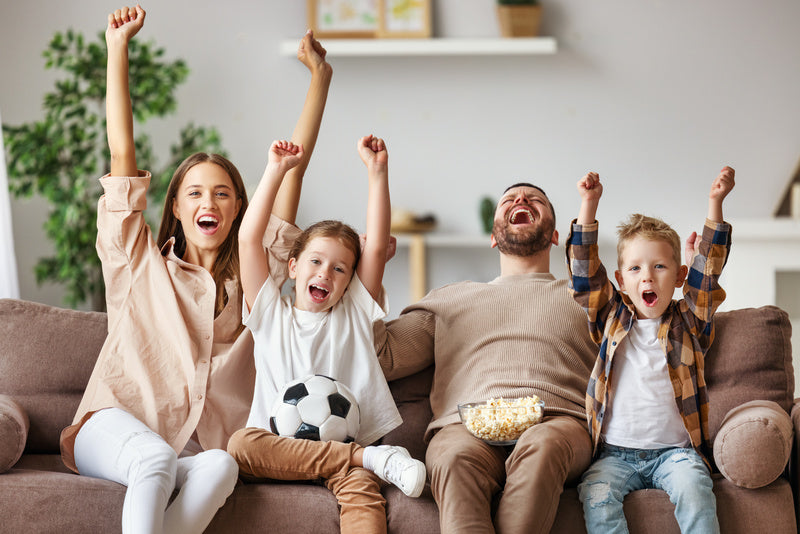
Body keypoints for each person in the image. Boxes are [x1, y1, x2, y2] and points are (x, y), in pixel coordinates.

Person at [58, 5, 333, 533]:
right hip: (111, 429)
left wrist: (320, 79)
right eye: (196, 192)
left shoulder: (255, 281)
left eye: (224, 193)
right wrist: (117, 51)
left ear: (237, 212)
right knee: (155, 458)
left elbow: (294, 167)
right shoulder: (136, 262)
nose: (210, 201)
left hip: (193, 447)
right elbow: (121, 152)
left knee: (223, 464)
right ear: (178, 209)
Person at [226, 135, 426, 534]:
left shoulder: (352, 312)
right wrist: (276, 170)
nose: (325, 273)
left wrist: (377, 173)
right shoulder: (269, 314)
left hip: (347, 441)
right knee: (239, 446)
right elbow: (249, 240)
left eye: (339, 269)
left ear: (350, 281)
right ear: (294, 266)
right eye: (316, 261)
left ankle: (358, 462)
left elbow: (374, 243)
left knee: (364, 502)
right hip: (283, 451)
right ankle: (368, 459)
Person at [373, 183, 599, 534]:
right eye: (509, 199)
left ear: (556, 235)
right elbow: (382, 356)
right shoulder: (450, 299)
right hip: (464, 429)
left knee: (544, 446)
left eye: (534, 199)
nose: (521, 200)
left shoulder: (586, 298)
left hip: (557, 423)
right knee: (452, 459)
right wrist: (371, 270)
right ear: (494, 238)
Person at [566, 167, 735, 533]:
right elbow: (584, 275)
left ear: (678, 277)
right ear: (621, 281)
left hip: (676, 454)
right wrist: (588, 204)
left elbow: (707, 276)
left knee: (695, 490)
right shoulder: (610, 317)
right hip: (614, 455)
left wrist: (715, 203)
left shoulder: (688, 321)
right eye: (636, 268)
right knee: (595, 495)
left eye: (659, 266)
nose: (647, 276)